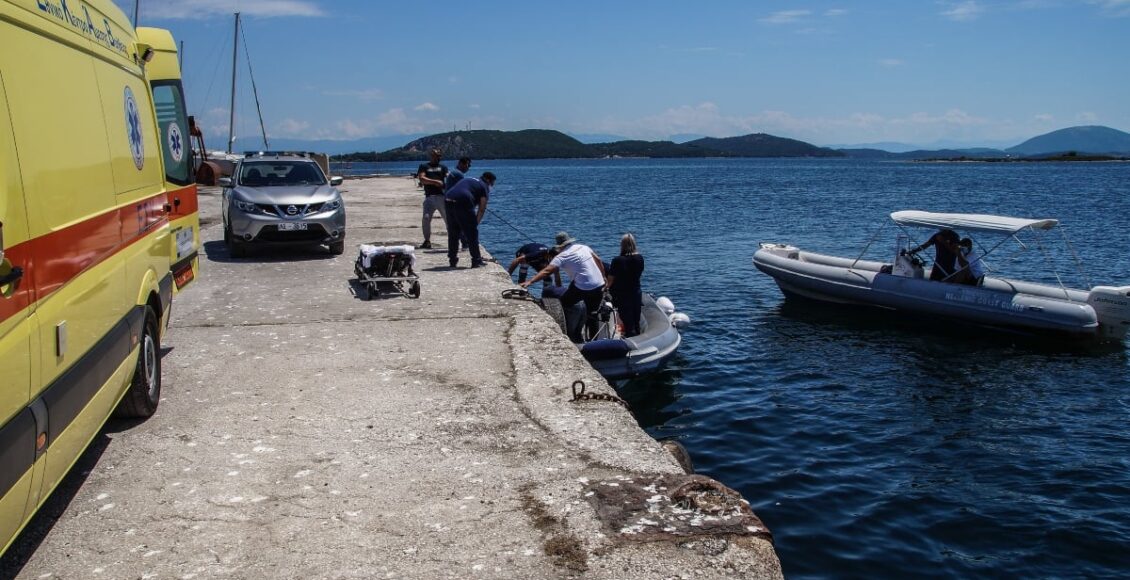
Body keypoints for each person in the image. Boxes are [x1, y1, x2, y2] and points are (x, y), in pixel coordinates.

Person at [521, 232, 606, 342]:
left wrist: (530, 281)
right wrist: (604, 278)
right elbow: (598, 260)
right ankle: (594, 341)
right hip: (599, 284)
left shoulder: (562, 256)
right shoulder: (583, 247)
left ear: (560, 246)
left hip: (582, 287)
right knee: (593, 313)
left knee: (564, 304)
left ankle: (573, 334)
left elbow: (546, 271)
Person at [444, 171, 495, 268]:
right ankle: (476, 260)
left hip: (448, 198)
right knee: (472, 234)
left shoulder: (469, 179)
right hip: (464, 199)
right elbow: (482, 209)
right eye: (492, 184)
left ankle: (452, 259)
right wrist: (475, 224)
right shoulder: (484, 186)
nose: (491, 186)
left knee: (453, 232)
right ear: (488, 180)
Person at [606, 233, 645, 337]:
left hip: (622, 295)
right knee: (636, 320)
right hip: (636, 292)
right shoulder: (640, 258)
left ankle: (630, 344)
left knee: (628, 322)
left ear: (622, 245)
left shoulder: (617, 260)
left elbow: (610, 280)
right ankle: (639, 340)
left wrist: (605, 289)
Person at [416, 148, 448, 249]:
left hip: (441, 197)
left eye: (439, 156)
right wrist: (435, 182)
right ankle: (427, 241)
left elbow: (448, 177)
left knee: (448, 219)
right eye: (435, 155)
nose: (437, 157)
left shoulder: (443, 167)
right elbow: (422, 178)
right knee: (426, 218)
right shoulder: (424, 166)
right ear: (431, 156)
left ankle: (454, 239)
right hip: (429, 197)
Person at [444, 157, 472, 250]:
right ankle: (465, 244)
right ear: (461, 164)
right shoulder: (459, 174)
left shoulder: (454, 173)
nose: (468, 168)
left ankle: (461, 244)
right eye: (468, 165)